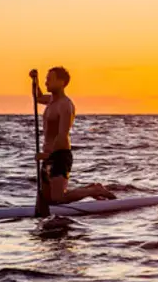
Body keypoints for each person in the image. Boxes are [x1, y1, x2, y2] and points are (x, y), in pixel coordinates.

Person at [30, 67, 116, 203]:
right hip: (47, 156)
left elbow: (62, 135)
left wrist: (47, 156)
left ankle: (94, 191)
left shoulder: (65, 105)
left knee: (59, 198)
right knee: (47, 200)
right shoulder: (51, 100)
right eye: (46, 80)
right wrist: (35, 80)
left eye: (49, 80)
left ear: (61, 82)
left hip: (59, 155)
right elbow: (38, 97)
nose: (46, 83)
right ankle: (92, 187)